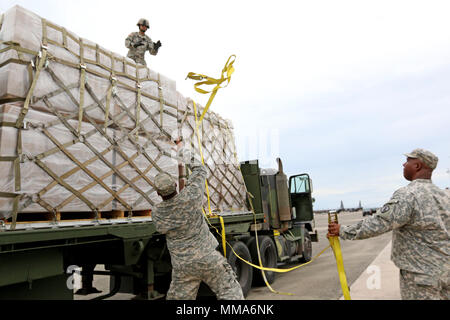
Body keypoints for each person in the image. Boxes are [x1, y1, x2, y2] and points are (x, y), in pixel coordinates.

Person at [328, 148, 449, 300]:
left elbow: (379, 223)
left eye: (408, 161)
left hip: (422, 276)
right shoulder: (444, 196)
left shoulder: (409, 194)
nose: (404, 164)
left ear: (417, 166)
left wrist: (343, 230)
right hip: (446, 271)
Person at [151, 158, 244, 300]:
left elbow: (160, 228)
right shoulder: (191, 196)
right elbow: (200, 170)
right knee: (229, 291)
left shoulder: (157, 213)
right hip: (208, 258)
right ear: (176, 185)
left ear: (158, 193)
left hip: (183, 266)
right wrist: (183, 153)